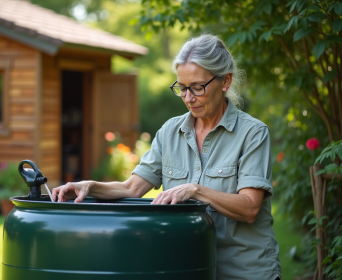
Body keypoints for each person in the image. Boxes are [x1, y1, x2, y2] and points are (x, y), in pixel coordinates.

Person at [52, 34, 281, 280]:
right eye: (181, 88)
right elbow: (132, 188)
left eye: (197, 87)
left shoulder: (252, 133)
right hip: (189, 268)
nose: (188, 98)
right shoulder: (170, 132)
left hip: (244, 272)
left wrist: (195, 189)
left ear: (225, 81)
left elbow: (249, 208)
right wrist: (89, 186)